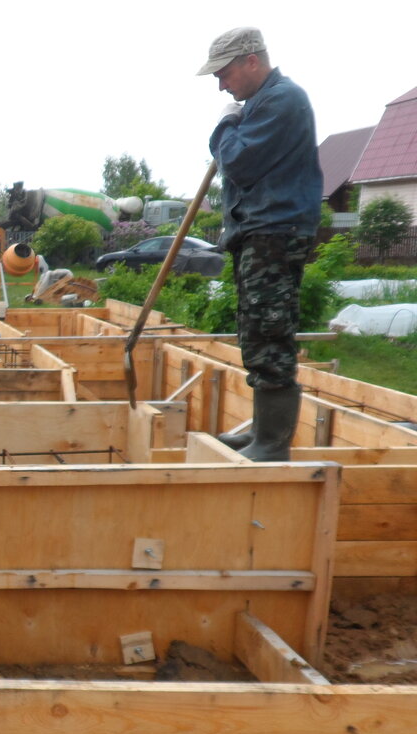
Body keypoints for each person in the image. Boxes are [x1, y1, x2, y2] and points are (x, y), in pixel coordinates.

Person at [199, 27, 323, 462]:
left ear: (251, 60)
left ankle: (272, 443)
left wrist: (225, 124)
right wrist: (236, 121)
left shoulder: (281, 100)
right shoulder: (261, 104)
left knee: (270, 331)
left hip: (276, 231)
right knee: (256, 330)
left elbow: (237, 162)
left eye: (225, 72)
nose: (221, 84)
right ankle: (261, 432)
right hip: (261, 231)